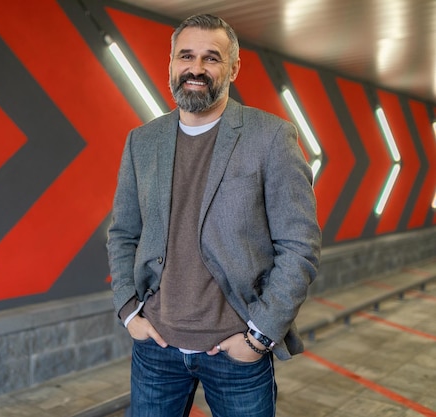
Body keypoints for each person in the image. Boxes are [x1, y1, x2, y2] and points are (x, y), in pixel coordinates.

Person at [106, 13, 322, 417]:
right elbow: (122, 233)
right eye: (186, 56)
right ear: (170, 64)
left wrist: (258, 338)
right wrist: (128, 309)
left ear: (234, 67)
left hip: (237, 351)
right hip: (156, 350)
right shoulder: (142, 141)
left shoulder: (272, 136)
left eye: (212, 58)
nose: (197, 68)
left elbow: (299, 247)